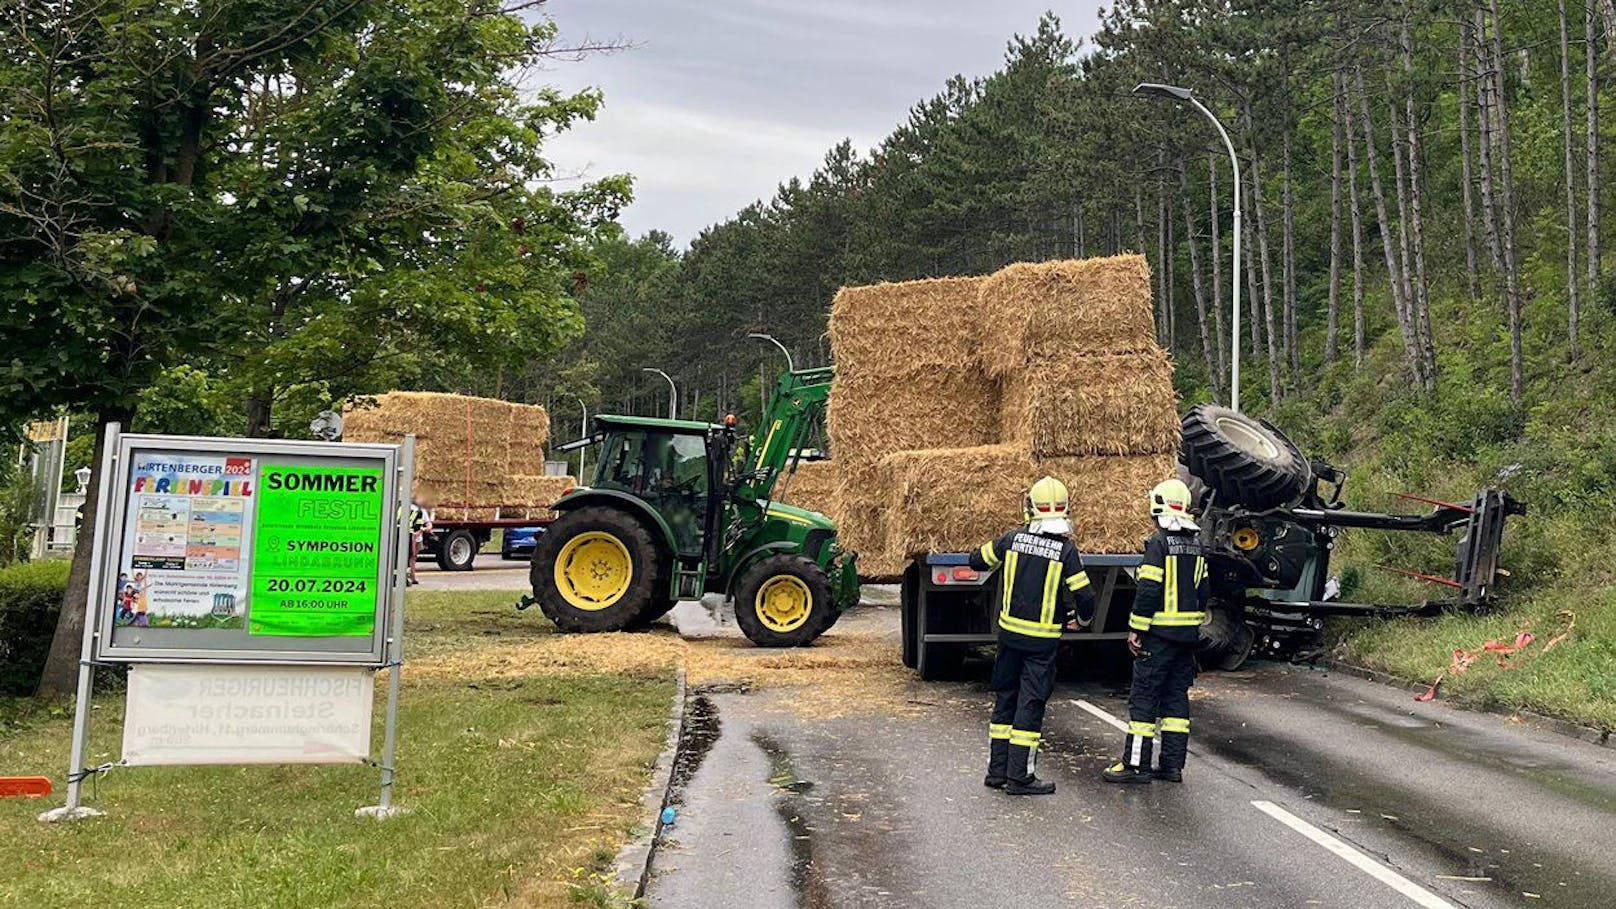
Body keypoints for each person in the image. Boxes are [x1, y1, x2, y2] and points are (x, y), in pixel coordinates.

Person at [968, 476, 1096, 796]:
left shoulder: (1011, 539)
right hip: (1041, 643)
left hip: (1009, 637)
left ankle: (997, 771)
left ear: (1030, 507)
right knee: (1031, 703)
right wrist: (1081, 620)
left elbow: (976, 560)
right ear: (1065, 509)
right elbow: (1086, 596)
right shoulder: (1065, 550)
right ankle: (1020, 777)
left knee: (1005, 700)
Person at [1103, 478, 1208, 785]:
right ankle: (1172, 766)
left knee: (1144, 700)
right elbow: (1204, 591)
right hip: (1187, 638)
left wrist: (1136, 627)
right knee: (1176, 701)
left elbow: (1148, 591)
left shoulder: (1159, 544)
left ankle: (1136, 765)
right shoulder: (1197, 545)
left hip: (1159, 636)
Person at [407, 496, 433, 585]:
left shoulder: (422, 511)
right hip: (410, 537)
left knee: (413, 557)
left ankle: (412, 576)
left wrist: (424, 529)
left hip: (417, 538)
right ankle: (410, 576)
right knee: (411, 557)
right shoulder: (408, 508)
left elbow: (428, 524)